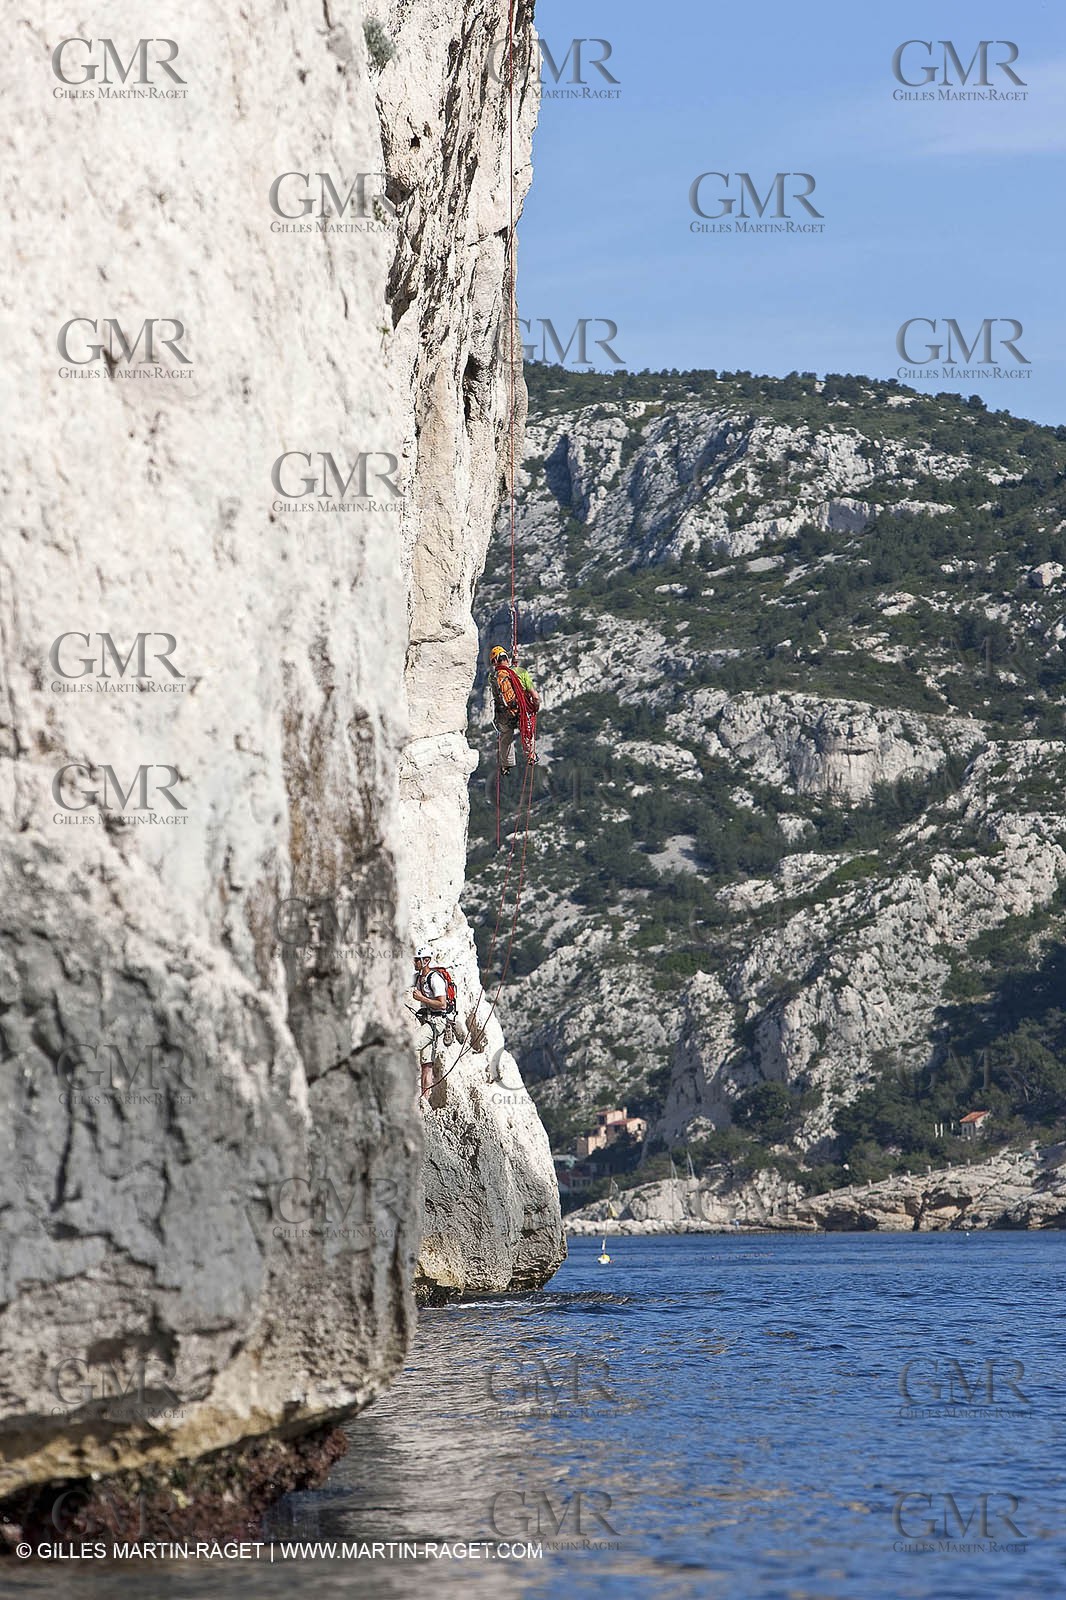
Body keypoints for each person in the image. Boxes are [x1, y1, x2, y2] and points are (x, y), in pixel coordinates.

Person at [411, 946, 465, 1101]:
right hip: (428, 1021)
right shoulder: (418, 977)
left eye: (417, 959)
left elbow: (442, 1004)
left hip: (437, 1022)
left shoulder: (434, 979)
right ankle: (425, 1100)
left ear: (426, 960)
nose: (414, 962)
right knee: (426, 1064)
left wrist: (422, 999)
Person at [489, 645, 540, 774]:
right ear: (506, 657)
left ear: (495, 662)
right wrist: (535, 706)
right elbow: (535, 696)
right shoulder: (521, 672)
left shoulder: (493, 677)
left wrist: (513, 663)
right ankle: (531, 756)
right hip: (519, 711)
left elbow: (504, 672)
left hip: (503, 714)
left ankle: (506, 765)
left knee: (506, 737)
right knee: (527, 731)